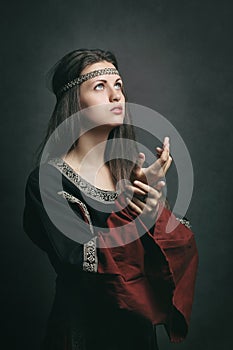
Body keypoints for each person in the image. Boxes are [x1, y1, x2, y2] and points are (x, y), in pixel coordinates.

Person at [23, 48, 198, 350]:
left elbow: (165, 259)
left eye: (118, 84)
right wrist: (137, 214)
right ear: (74, 101)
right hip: (84, 333)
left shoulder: (129, 174)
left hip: (138, 335)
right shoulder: (48, 182)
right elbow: (83, 262)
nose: (116, 95)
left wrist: (154, 206)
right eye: (100, 86)